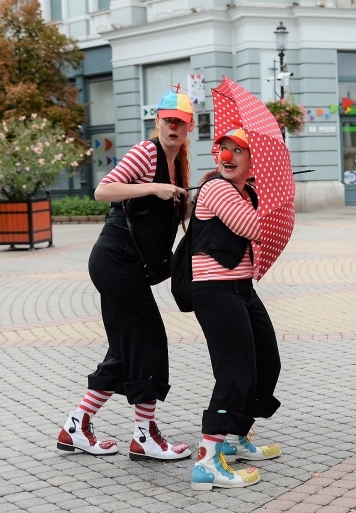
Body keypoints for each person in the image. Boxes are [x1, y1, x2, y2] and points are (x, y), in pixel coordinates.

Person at [55, 89, 193, 461]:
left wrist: (185, 202)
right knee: (149, 341)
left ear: (190, 127)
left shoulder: (178, 163)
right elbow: (103, 190)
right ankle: (144, 436)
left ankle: (75, 427)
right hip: (115, 259)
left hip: (125, 265)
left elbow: (164, 225)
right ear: (158, 122)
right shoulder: (147, 152)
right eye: (168, 121)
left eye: (181, 122)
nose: (174, 127)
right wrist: (155, 187)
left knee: (123, 349)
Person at [188, 128, 282, 491]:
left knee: (266, 361)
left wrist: (261, 192)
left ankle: (234, 436)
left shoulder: (246, 191)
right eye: (222, 149)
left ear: (253, 159)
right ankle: (208, 462)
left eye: (237, 151)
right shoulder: (215, 188)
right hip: (215, 290)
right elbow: (253, 228)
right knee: (234, 372)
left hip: (242, 288)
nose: (226, 157)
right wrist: (268, 197)